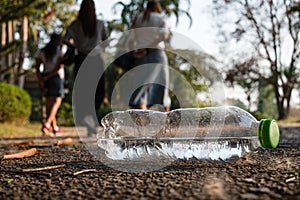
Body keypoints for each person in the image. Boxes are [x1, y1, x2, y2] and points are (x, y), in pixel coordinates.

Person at [63, 0, 108, 135]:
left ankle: (87, 119)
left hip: (81, 59)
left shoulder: (75, 25)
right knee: (98, 91)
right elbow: (106, 42)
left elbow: (64, 39)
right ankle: (92, 118)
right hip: (96, 60)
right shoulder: (100, 24)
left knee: (83, 92)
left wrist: (75, 46)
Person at [127, 0, 171, 111]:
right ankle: (162, 125)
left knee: (140, 94)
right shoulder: (160, 18)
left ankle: (142, 126)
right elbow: (164, 36)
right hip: (157, 56)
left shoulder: (138, 19)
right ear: (157, 7)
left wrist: (135, 51)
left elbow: (130, 40)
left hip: (141, 57)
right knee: (160, 91)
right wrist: (149, 47)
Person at [35, 33, 65, 137]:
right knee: (57, 101)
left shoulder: (42, 51)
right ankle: (47, 124)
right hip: (55, 77)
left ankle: (55, 128)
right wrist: (49, 77)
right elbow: (59, 66)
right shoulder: (59, 51)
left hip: (45, 76)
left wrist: (41, 80)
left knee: (49, 103)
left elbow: (37, 67)